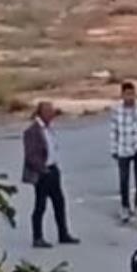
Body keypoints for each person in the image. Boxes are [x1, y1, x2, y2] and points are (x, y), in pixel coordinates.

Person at [23, 101, 79, 248]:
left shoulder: (48, 129)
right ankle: (37, 237)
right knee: (40, 205)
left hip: (53, 170)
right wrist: (42, 169)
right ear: (41, 113)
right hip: (43, 172)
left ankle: (63, 233)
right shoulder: (32, 131)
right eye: (49, 112)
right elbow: (30, 156)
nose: (52, 114)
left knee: (59, 203)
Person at [111, 81, 137, 223]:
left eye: (132, 94)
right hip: (123, 148)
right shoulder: (116, 109)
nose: (130, 97)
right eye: (127, 94)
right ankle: (125, 207)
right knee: (124, 179)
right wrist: (114, 149)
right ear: (122, 95)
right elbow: (113, 130)